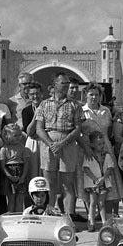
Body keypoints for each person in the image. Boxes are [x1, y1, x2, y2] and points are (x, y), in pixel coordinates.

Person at [34, 74, 85, 220]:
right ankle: (49, 215)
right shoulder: (44, 104)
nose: (67, 86)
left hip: (67, 142)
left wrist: (62, 143)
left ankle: (68, 216)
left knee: (67, 183)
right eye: (63, 83)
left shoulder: (75, 105)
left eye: (68, 83)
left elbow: (77, 129)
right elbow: (39, 128)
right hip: (47, 142)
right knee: (49, 183)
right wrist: (50, 144)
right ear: (55, 84)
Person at [83, 130, 119, 227]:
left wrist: (103, 178)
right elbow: (86, 169)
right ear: (92, 145)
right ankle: (91, 222)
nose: (102, 145)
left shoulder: (106, 155)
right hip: (93, 183)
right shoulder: (89, 156)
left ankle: (104, 223)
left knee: (101, 203)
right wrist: (95, 179)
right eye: (99, 144)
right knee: (93, 202)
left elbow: (110, 168)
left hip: (103, 183)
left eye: (103, 143)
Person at [0, 122, 35, 213]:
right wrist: (9, 176)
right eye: (15, 135)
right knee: (11, 199)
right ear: (7, 136)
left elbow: (26, 163)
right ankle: (10, 217)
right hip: (9, 174)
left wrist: (23, 177)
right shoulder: (4, 149)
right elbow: (2, 166)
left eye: (20, 135)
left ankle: (19, 217)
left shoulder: (23, 148)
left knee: (20, 199)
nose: (19, 137)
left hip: (20, 172)